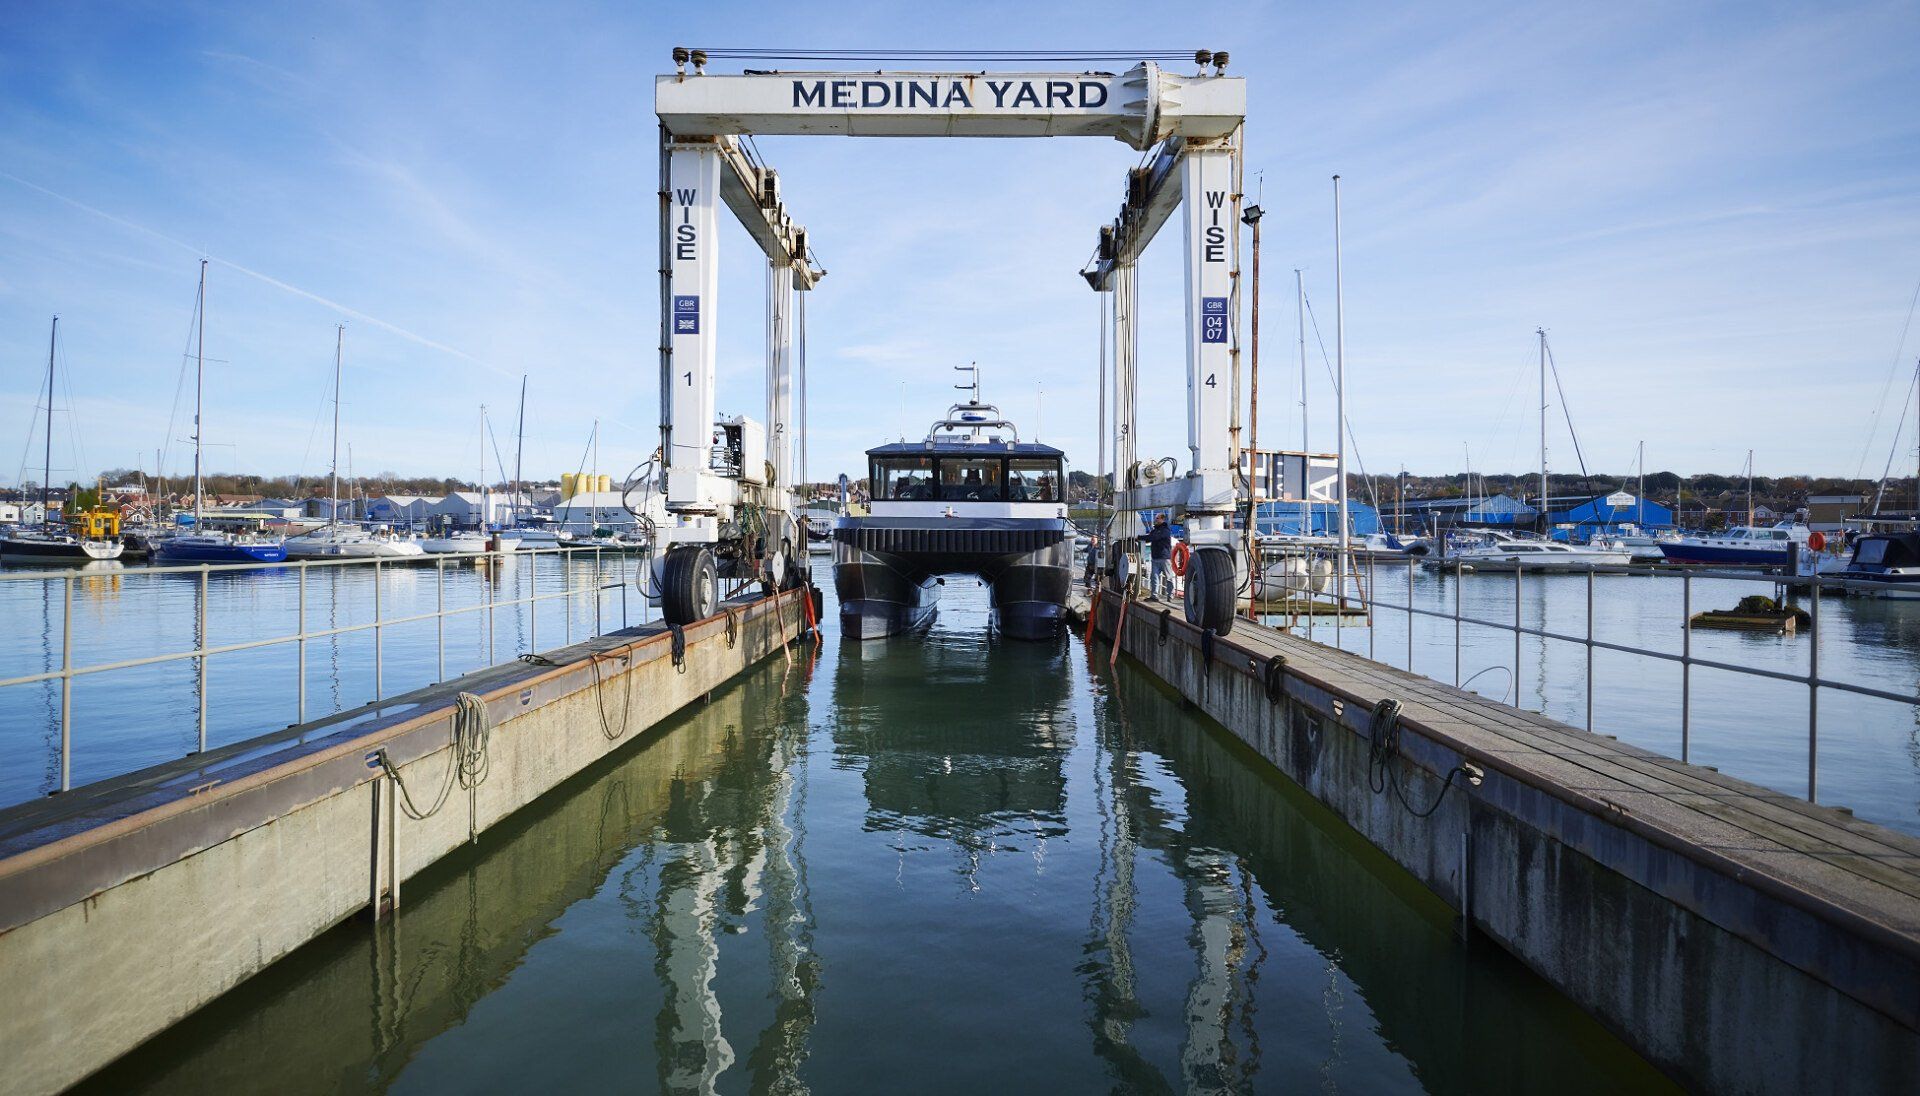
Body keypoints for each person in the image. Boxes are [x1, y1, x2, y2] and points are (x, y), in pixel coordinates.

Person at [1147, 514, 1174, 599]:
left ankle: (1170, 595)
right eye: (1156, 518)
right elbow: (1149, 538)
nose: (1156, 520)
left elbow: (1155, 537)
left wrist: (1140, 537)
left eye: (1157, 518)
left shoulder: (1165, 530)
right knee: (1154, 578)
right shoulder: (1155, 530)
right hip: (1155, 558)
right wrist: (1138, 537)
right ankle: (1154, 596)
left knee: (1169, 578)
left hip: (1164, 558)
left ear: (1162, 519)